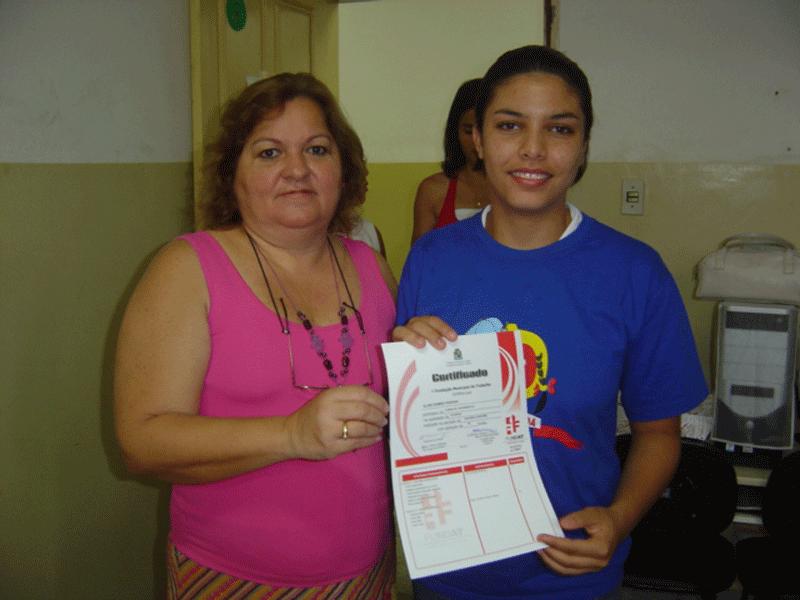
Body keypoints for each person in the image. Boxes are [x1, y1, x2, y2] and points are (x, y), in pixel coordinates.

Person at [393, 45, 708, 599]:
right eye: (509, 125)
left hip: (573, 575)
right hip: (450, 570)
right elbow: (408, 427)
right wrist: (404, 368)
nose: (533, 149)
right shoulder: (431, 260)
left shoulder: (634, 272)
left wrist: (619, 518)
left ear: (583, 145)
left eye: (559, 129)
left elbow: (659, 433)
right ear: (477, 139)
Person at [114, 72, 397, 598]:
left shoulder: (372, 266)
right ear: (233, 176)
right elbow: (142, 443)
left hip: (368, 574)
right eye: (269, 153)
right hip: (233, 578)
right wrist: (291, 435)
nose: (297, 169)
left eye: (317, 149)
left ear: (344, 169)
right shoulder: (187, 268)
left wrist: (428, 352)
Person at [411, 78, 490, 243]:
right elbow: (420, 255)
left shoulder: (515, 189)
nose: (476, 141)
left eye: (484, 130)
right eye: (468, 131)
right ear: (455, 131)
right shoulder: (433, 190)